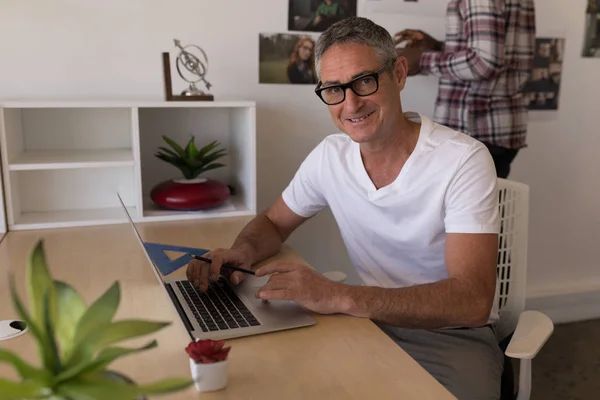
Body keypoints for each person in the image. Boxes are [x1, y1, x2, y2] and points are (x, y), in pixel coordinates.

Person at [188, 16, 503, 399]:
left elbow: (471, 301)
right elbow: (273, 222)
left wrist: (341, 297)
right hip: (365, 323)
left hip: (451, 337)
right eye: (334, 89)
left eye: (364, 81)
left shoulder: (462, 160)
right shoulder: (330, 156)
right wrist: (242, 252)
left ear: (399, 74)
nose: (350, 104)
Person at [394, 0, 536, 179]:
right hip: (494, 126)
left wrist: (423, 60)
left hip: (476, 129)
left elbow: (484, 63)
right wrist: (438, 47)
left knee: (466, 205)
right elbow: (495, 52)